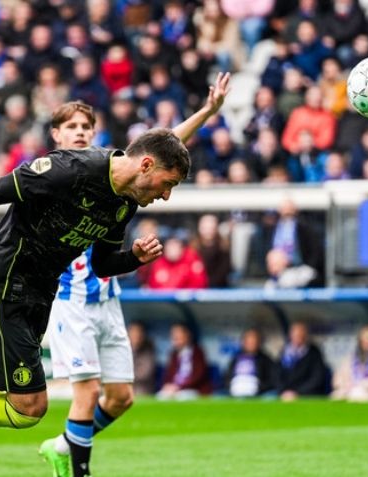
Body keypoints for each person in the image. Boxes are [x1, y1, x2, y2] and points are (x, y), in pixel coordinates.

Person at [0, 99, 201, 476]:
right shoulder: (67, 170)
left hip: (40, 293)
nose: (165, 196)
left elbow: (100, 264)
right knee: (28, 408)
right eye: (168, 185)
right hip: (4, 282)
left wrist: (132, 258)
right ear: (147, 165)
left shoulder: (124, 204)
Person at [37, 75, 228, 477]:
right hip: (72, 300)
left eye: (86, 127)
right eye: (71, 127)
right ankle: (77, 470)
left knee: (122, 398)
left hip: (107, 297)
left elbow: (163, 147)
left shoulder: (111, 172)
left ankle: (62, 445)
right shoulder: (51, 177)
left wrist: (207, 113)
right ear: (55, 135)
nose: (80, 132)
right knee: (86, 393)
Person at [156, 322, 212, 400]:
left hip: (193, 389)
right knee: (161, 396)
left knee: (182, 397)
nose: (176, 339)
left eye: (179, 336)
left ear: (187, 336)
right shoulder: (173, 354)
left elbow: (199, 376)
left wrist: (180, 387)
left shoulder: (197, 352)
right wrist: (168, 385)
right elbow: (168, 375)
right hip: (175, 388)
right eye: (174, 336)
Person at [277, 321, 328, 400]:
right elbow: (276, 375)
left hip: (306, 393)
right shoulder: (284, 352)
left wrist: (298, 393)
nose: (298, 337)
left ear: (305, 335)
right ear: (291, 335)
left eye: (301, 334)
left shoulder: (314, 353)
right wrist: (283, 391)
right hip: (284, 393)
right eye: (296, 334)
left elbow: (317, 378)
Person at [225, 328, 276, 398]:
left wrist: (258, 387)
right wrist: (232, 386)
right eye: (249, 340)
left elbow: (272, 380)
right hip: (236, 390)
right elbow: (227, 376)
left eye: (254, 340)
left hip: (258, 392)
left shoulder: (266, 360)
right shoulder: (236, 358)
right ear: (244, 342)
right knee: (217, 397)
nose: (251, 343)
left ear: (259, 342)